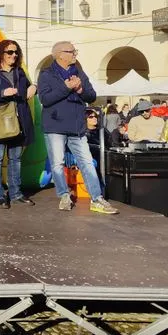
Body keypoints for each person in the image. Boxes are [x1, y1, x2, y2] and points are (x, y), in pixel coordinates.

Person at [37, 41, 118, 215]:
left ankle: (97, 199)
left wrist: (80, 89)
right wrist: (66, 87)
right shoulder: (46, 74)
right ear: (60, 54)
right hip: (55, 126)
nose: (75, 54)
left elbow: (92, 96)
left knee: (87, 163)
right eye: (72, 51)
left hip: (77, 126)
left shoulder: (79, 72)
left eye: (75, 51)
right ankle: (64, 195)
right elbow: (45, 99)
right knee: (57, 164)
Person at [0, 40, 36, 209]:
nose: (14, 55)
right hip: (0, 121)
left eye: (15, 52)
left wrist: (33, 87)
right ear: (0, 54)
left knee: (15, 159)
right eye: (10, 52)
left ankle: (16, 193)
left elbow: (28, 87)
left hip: (19, 121)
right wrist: (2, 93)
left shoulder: (19, 71)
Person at [84, 108, 111, 188]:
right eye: (91, 117)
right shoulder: (83, 133)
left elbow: (110, 144)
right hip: (90, 158)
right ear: (85, 119)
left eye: (95, 116)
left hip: (104, 156)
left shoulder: (103, 130)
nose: (94, 118)